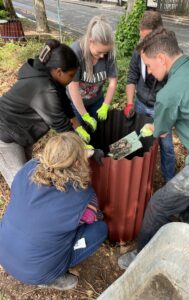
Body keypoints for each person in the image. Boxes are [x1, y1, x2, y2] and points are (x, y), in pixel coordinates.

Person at [118, 28, 189, 269]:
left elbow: (159, 131)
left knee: (158, 205)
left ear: (162, 59)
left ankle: (140, 257)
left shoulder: (169, 94)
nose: (151, 73)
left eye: (150, 66)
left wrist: (129, 142)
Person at [0, 132, 108, 290]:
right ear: (78, 163)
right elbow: (94, 217)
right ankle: (52, 278)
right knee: (100, 229)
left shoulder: (28, 168)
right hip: (36, 271)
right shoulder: (84, 196)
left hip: (4, 251)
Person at [0, 39, 93, 188]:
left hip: (20, 132)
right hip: (5, 136)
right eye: (70, 75)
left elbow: (64, 104)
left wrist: (79, 127)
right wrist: (84, 149)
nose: (71, 81)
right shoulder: (43, 88)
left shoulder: (49, 77)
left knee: (27, 173)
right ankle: (24, 209)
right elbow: (61, 125)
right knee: (20, 183)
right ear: (59, 71)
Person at [123, 11, 175, 182]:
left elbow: (173, 93)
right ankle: (130, 175)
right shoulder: (140, 51)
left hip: (161, 109)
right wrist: (130, 103)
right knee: (135, 139)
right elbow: (131, 77)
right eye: (141, 37)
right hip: (140, 104)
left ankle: (169, 182)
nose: (143, 43)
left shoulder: (170, 55)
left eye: (147, 38)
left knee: (166, 147)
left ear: (158, 33)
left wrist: (162, 118)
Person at [68, 16, 117, 133]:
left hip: (97, 102)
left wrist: (105, 105)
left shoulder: (108, 53)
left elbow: (112, 82)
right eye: (99, 52)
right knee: (80, 137)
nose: (102, 56)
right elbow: (72, 87)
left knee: (97, 133)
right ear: (91, 41)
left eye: (105, 53)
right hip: (77, 103)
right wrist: (84, 115)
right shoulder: (76, 53)